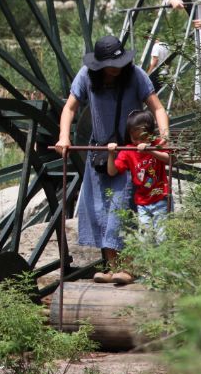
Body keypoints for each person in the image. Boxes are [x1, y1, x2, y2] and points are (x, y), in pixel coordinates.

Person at [55, 35, 169, 285]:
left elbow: (157, 108)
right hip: (99, 153)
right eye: (109, 65)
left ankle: (128, 269)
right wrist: (64, 137)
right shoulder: (86, 76)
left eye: (118, 64)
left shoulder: (136, 75)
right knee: (100, 210)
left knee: (122, 208)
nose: (114, 70)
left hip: (129, 154)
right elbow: (70, 108)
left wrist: (163, 138)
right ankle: (112, 268)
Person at [106, 109, 171, 254]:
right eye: (134, 138)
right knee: (145, 239)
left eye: (142, 138)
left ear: (150, 134)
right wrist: (111, 154)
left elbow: (171, 160)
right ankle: (149, 271)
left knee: (162, 237)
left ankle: (165, 271)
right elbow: (112, 171)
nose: (138, 142)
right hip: (142, 202)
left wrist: (150, 150)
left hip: (161, 197)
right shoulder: (128, 150)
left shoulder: (157, 144)